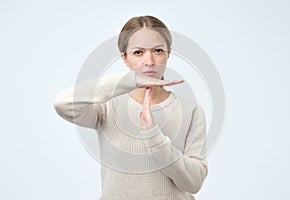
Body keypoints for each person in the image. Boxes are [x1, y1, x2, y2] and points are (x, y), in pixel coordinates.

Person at [53, 15, 208, 200]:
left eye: (158, 50)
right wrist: (129, 81)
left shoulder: (191, 111)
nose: (149, 61)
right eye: (138, 53)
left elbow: (194, 182)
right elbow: (62, 103)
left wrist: (154, 138)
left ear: (168, 53)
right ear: (124, 58)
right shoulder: (106, 107)